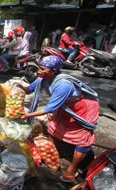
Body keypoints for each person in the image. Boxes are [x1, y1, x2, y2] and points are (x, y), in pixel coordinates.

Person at [17, 55, 99, 183]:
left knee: (81, 138)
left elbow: (49, 108)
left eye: (42, 69)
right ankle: (52, 154)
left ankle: (72, 169)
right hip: (65, 106)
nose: (39, 70)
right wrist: (18, 85)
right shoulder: (42, 78)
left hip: (81, 108)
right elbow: (29, 89)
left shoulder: (62, 85)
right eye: (39, 67)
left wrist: (28, 115)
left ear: (53, 71)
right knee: (54, 127)